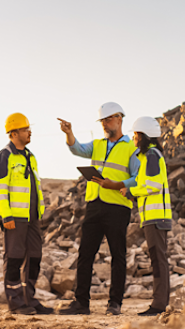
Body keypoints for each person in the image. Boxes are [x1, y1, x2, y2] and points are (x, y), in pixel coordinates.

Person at [57, 102, 139, 316]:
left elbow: (137, 178)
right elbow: (77, 149)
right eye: (102, 120)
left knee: (117, 256)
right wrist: (69, 133)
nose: (104, 124)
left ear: (119, 119)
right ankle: (81, 303)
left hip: (118, 208)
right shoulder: (98, 144)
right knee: (85, 254)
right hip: (94, 205)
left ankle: (115, 304)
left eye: (108, 119)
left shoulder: (132, 148)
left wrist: (119, 185)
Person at [0, 113, 52, 315]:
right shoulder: (4, 156)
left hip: (32, 218)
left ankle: (30, 300)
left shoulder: (30, 156)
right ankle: (16, 303)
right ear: (14, 133)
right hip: (14, 218)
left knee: (35, 257)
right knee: (15, 258)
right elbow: (1, 188)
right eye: (26, 129)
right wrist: (5, 215)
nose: (30, 132)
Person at [119, 116, 172, 316]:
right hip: (153, 217)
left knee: (158, 260)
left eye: (135, 135)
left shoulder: (151, 155)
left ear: (143, 136)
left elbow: (153, 186)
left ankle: (158, 305)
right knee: (158, 259)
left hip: (156, 217)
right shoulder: (149, 156)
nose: (133, 139)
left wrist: (132, 192)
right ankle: (160, 303)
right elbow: (148, 186)